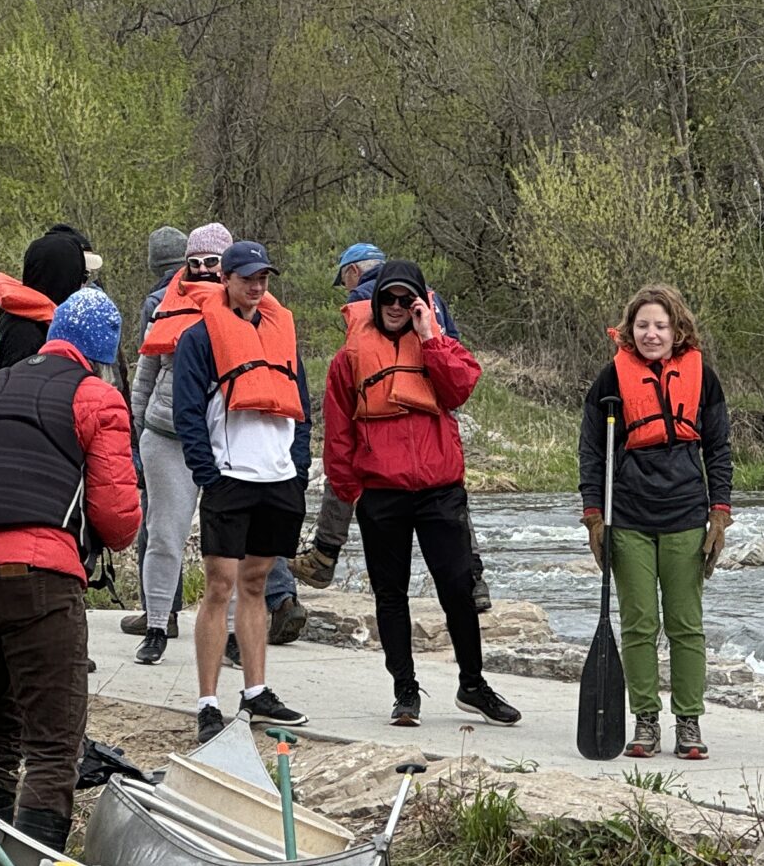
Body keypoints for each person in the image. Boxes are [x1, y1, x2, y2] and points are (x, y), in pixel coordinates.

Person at [0, 285, 140, 851]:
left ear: (53, 337)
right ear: (104, 353)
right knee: (52, 743)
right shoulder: (98, 398)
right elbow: (118, 522)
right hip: (35, 581)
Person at [321, 259, 520, 728]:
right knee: (391, 595)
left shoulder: (440, 344)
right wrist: (352, 492)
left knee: (458, 589)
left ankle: (472, 684)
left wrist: (429, 334)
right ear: (375, 301)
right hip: (381, 493)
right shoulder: (348, 358)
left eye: (403, 299)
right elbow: (338, 435)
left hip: (439, 492)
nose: (394, 307)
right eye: (387, 298)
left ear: (418, 302)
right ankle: (404, 691)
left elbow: (459, 389)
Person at [579, 283, 732, 760]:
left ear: (677, 329)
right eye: (643, 325)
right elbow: (591, 453)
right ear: (630, 330)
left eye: (660, 326)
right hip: (630, 517)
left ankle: (688, 721)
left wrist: (720, 515)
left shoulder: (703, 378)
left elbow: (719, 449)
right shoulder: (609, 381)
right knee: (640, 623)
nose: (651, 333)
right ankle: (645, 719)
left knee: (686, 624)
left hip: (686, 512)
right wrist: (593, 517)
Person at [172, 239, 312, 740]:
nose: (257, 286)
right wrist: (208, 473)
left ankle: (256, 693)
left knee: (256, 584)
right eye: (248, 277)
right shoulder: (199, 338)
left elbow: (302, 405)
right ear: (226, 279)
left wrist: (298, 467)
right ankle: (208, 703)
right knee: (219, 587)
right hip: (229, 478)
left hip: (278, 480)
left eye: (264, 279)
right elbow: (187, 413)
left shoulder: (281, 332)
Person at [299, 242, 485, 612]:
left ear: (353, 272)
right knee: (450, 495)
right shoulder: (430, 296)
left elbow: (351, 366)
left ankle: (324, 555)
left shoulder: (368, 299)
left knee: (347, 471)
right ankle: (475, 579)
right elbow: (454, 348)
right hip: (437, 408)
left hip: (380, 419)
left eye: (345, 281)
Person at [126, 226, 229, 663]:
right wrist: (136, 432)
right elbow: (145, 374)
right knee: (164, 538)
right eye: (196, 262)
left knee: (229, 544)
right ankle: (156, 625)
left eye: (213, 262)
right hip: (167, 436)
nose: (203, 270)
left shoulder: (254, 310)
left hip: (228, 442)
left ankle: (235, 635)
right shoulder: (164, 307)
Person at [0, 223, 91, 370]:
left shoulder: (21, 317)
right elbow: (19, 390)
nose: (82, 284)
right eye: (81, 276)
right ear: (65, 277)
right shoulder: (26, 335)